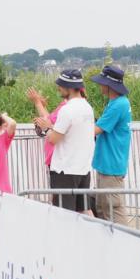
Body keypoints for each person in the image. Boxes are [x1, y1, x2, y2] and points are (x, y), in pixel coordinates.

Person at [34, 69, 96, 213]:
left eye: (61, 86)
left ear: (69, 87)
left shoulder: (67, 109)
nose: (58, 88)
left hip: (64, 169)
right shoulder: (87, 107)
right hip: (83, 168)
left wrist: (46, 127)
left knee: (63, 214)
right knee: (84, 211)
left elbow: (54, 138)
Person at [90, 65, 132, 223]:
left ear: (109, 85)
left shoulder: (118, 105)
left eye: (102, 83)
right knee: (103, 208)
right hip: (107, 164)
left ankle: (126, 243)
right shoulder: (117, 102)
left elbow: (96, 130)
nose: (100, 85)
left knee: (113, 210)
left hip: (111, 165)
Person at [27, 85, 68, 176]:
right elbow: (50, 120)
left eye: (60, 85)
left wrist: (37, 102)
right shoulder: (65, 105)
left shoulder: (66, 107)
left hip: (59, 158)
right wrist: (42, 105)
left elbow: (48, 122)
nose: (58, 89)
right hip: (56, 157)